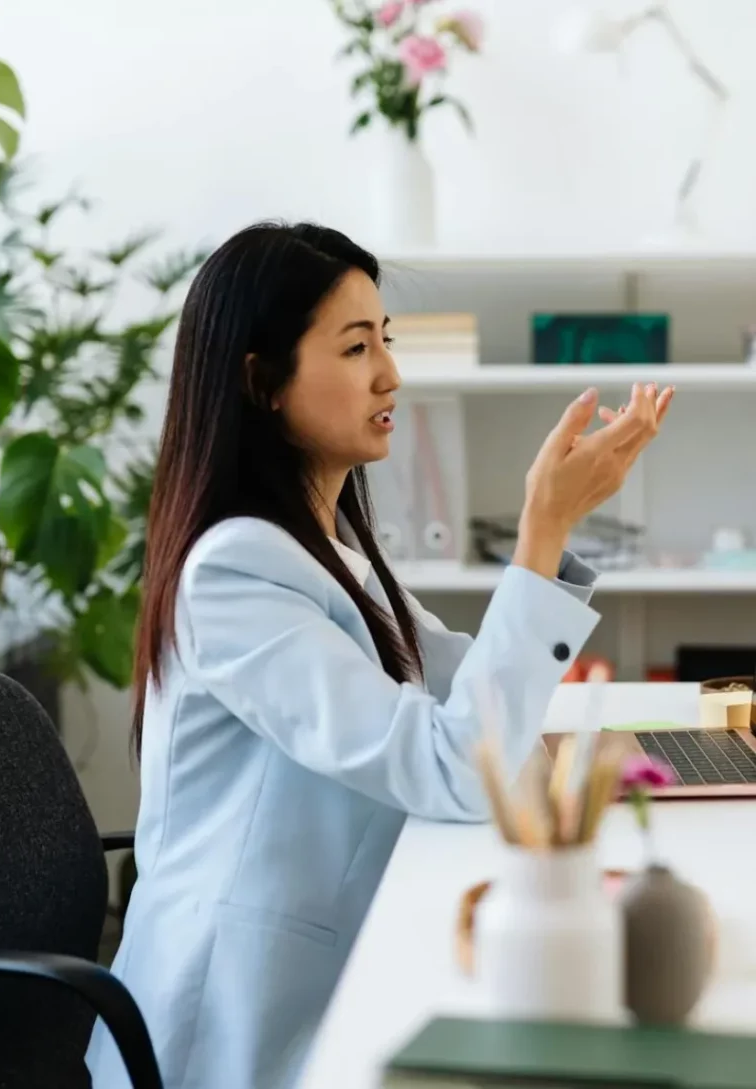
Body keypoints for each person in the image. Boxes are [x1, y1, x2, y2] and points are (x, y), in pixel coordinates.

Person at [86, 222, 672, 1089]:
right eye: (356, 346)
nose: (390, 374)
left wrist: (556, 551)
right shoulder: (235, 572)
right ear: (262, 382)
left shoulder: (324, 547)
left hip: (328, 964)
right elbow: (452, 765)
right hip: (231, 1030)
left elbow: (465, 687)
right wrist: (541, 534)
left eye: (385, 339)